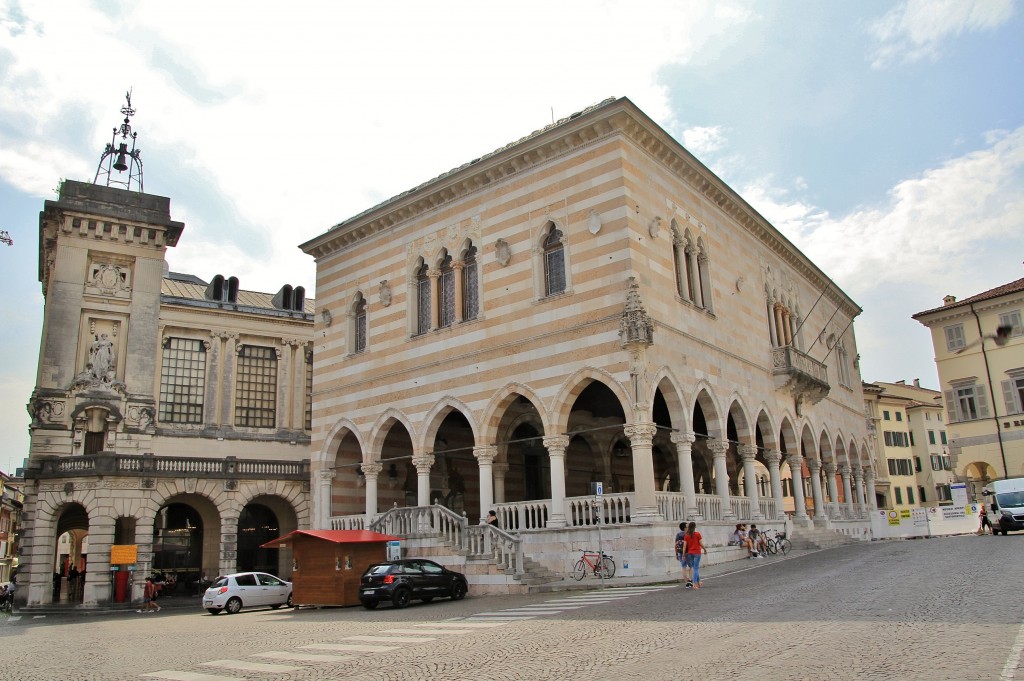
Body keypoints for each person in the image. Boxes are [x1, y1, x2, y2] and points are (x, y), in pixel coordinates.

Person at [683, 521, 707, 589]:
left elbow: (684, 546)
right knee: (696, 568)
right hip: (697, 553)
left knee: (694, 568)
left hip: (690, 553)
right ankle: (694, 583)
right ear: (695, 527)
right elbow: (701, 544)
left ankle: (699, 582)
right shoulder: (697, 534)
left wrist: (684, 554)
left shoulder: (686, 535)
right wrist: (704, 549)